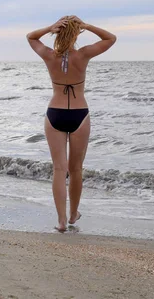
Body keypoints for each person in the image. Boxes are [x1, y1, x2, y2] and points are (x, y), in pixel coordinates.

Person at [26, 15, 117, 232]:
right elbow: (111, 38)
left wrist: (49, 27)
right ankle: (73, 215)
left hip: (54, 114)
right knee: (75, 169)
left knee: (59, 169)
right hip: (79, 114)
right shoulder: (83, 54)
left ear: (58, 33)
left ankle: (60, 221)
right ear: (76, 34)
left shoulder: (49, 55)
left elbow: (31, 37)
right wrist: (86, 26)